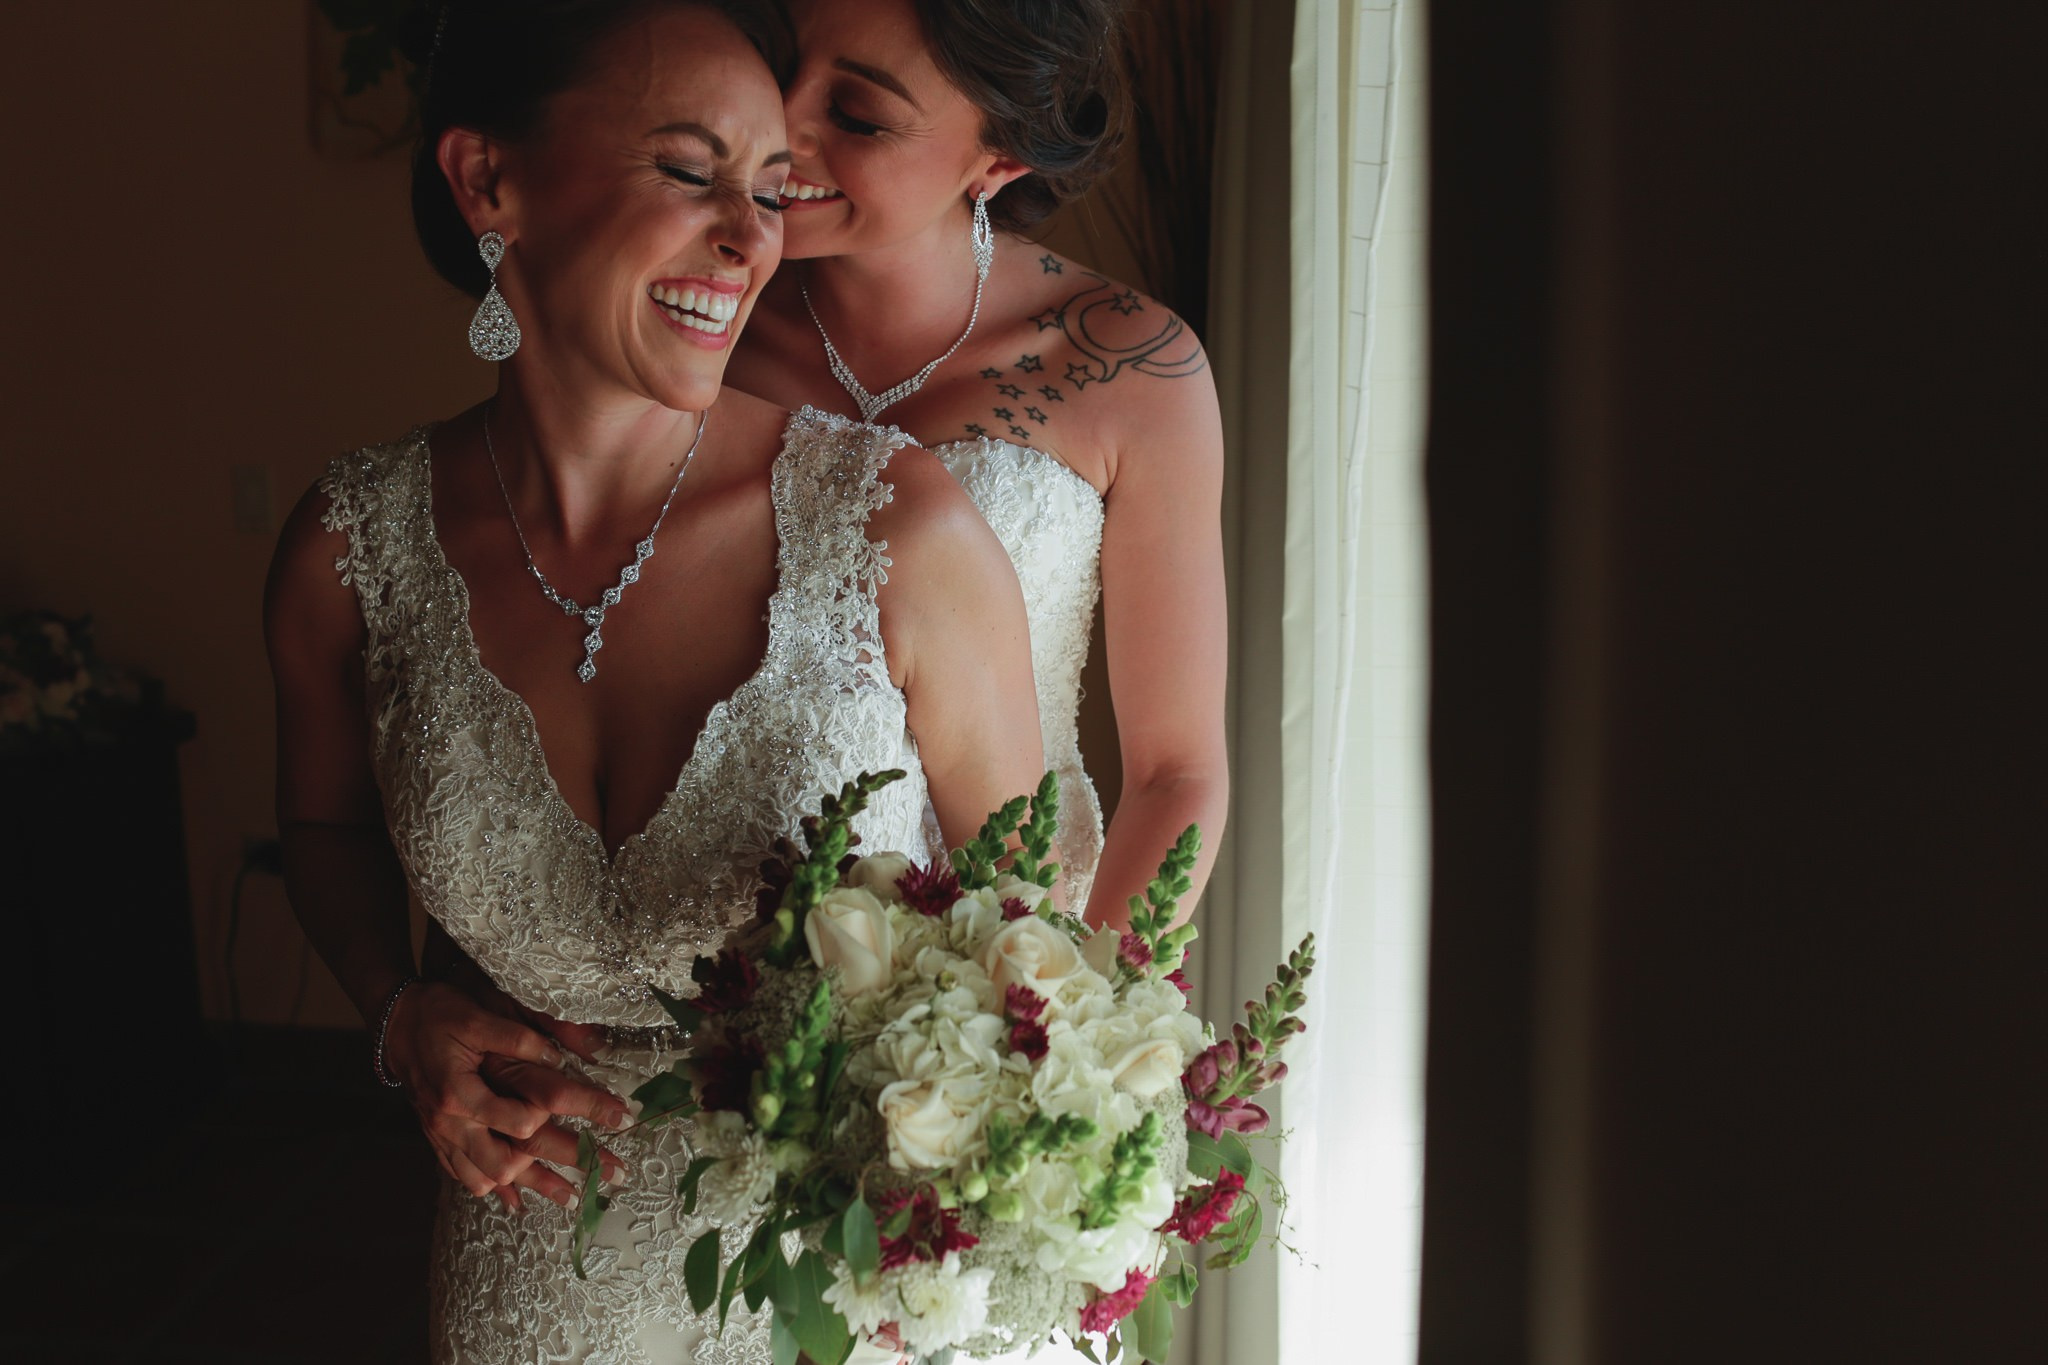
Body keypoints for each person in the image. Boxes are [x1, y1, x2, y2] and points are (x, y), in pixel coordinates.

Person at [263, 3, 1043, 1361]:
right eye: (691, 173)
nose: (752, 242)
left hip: (849, 1302)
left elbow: (1031, 954)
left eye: (767, 189)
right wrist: (402, 1015)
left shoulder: (897, 535)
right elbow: (323, 830)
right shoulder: (347, 554)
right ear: (486, 180)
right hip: (526, 1290)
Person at [725, 0, 1229, 928]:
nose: (781, 126)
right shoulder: (695, 327)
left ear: (999, 158)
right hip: (736, 962)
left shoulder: (1131, 370)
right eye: (777, 62)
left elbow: (1177, 774)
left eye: (857, 115)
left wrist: (1070, 1023)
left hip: (1015, 965)